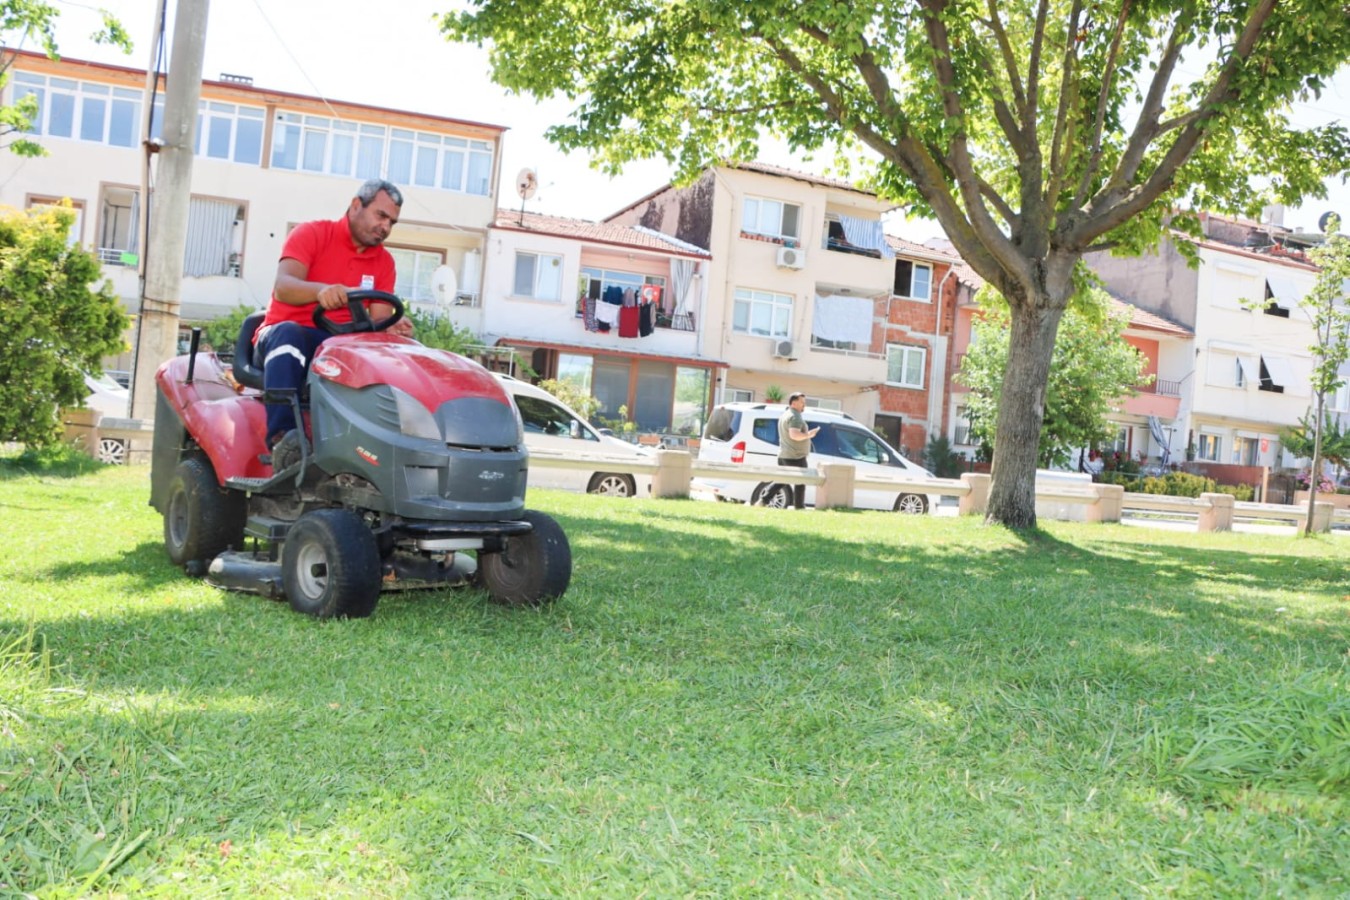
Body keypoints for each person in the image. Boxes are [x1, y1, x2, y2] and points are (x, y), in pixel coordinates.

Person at [254, 178, 414, 464]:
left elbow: (378, 320)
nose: (386, 228)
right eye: (381, 216)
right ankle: (284, 441)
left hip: (338, 345)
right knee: (289, 335)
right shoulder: (312, 234)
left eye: (392, 222)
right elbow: (284, 286)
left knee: (387, 358)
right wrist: (321, 291)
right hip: (286, 336)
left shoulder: (384, 263)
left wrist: (393, 326)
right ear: (355, 206)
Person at [776, 392, 819, 509]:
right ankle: (799, 507)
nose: (804, 405)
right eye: (802, 402)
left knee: (783, 480)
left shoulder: (786, 414)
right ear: (794, 403)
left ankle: (763, 500)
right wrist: (809, 435)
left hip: (785, 455)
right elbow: (794, 435)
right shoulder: (795, 416)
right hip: (795, 456)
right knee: (800, 482)